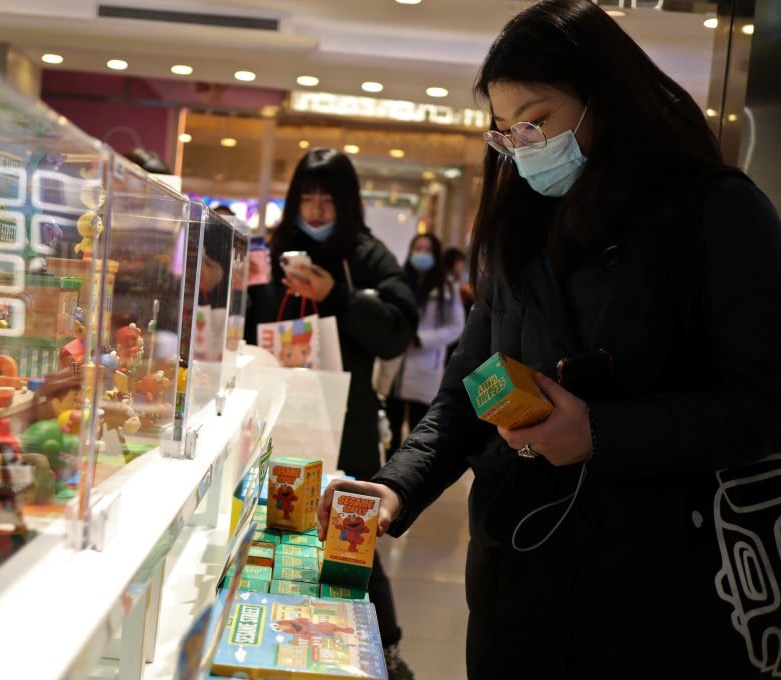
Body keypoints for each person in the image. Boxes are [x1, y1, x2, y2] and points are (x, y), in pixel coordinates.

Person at [317, 1, 781, 679]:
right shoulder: (518, 229)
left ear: (606, 99)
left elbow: (763, 404)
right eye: (506, 132)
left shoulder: (715, 211)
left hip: (658, 593)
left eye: (538, 120)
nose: (523, 144)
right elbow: (471, 388)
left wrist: (602, 432)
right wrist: (394, 488)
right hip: (517, 580)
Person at [244, 147, 419, 678]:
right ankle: (282, 631)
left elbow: (396, 332)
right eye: (307, 197)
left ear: (347, 203)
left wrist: (339, 296)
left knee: (351, 534)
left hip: (349, 422)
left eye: (328, 199)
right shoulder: (272, 251)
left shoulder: (366, 254)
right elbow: (246, 327)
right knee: (276, 525)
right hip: (276, 414)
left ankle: (383, 648)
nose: (316, 210)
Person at [384, 233, 465, 459]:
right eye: (417, 248)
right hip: (395, 365)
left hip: (425, 365)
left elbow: (456, 327)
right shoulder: (398, 282)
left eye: (427, 250)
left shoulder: (446, 287)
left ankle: (408, 477)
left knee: (418, 431)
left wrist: (421, 339)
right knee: (390, 427)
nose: (421, 254)